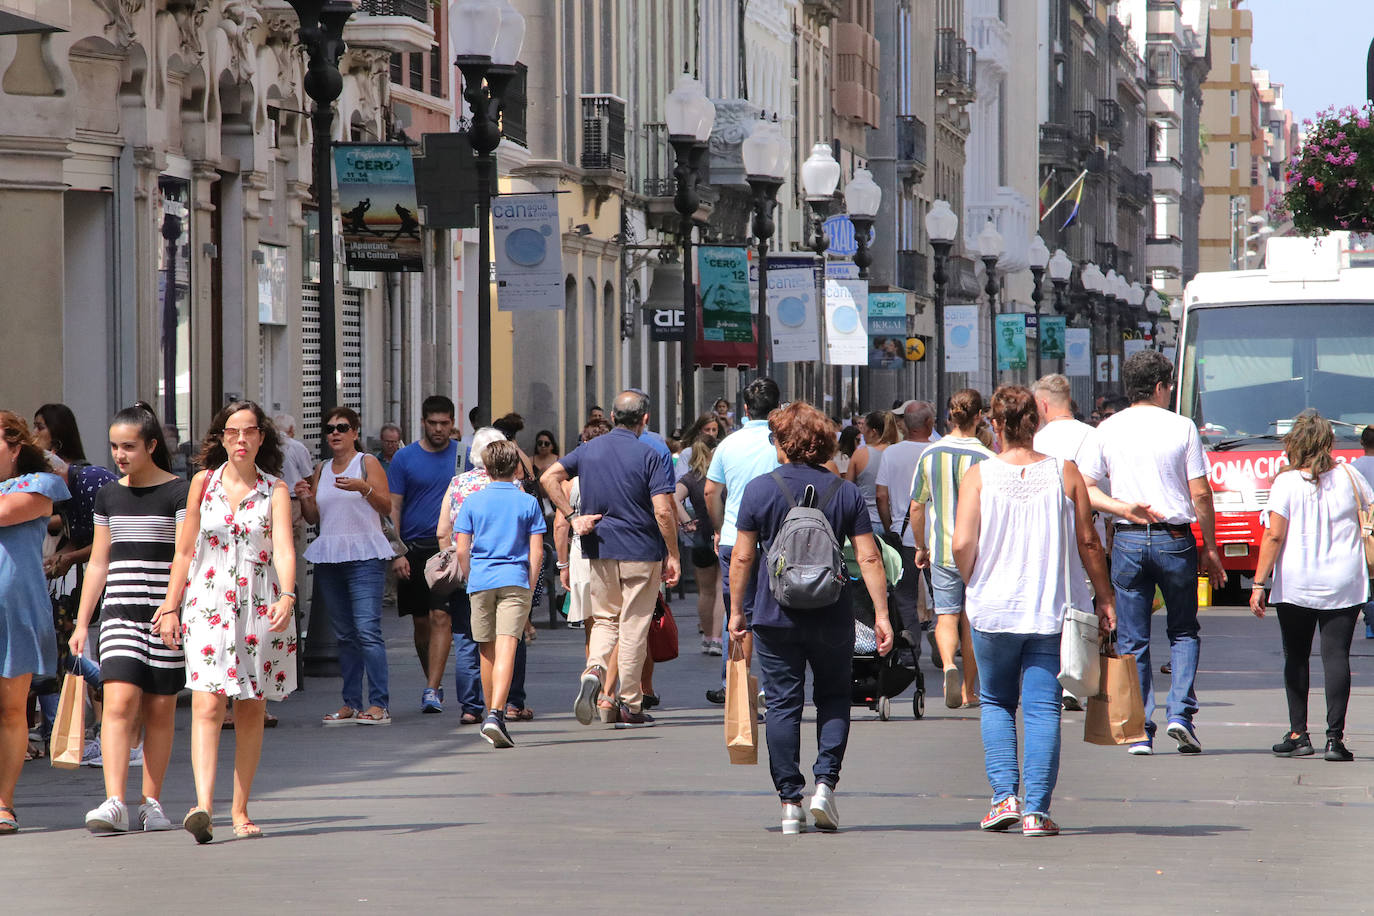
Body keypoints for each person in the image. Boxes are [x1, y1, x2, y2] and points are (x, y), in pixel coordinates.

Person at [952, 386, 1115, 837]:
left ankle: (1004, 798)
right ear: (1035, 423)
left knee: (996, 702)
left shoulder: (978, 476)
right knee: (1043, 710)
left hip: (993, 610)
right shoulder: (1066, 473)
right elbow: (1089, 542)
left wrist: (974, 578)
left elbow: (962, 543)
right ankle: (1037, 812)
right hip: (1050, 610)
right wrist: (1104, 597)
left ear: (995, 425)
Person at [728, 400, 894, 835]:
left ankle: (789, 802)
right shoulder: (844, 492)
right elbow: (868, 557)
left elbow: (742, 556)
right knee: (834, 697)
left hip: (773, 614)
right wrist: (881, 615)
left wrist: (737, 611)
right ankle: (825, 785)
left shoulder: (760, 490)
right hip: (831, 612)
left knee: (783, 703)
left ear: (784, 443)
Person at [157, 400, 297, 842]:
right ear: (221, 437)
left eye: (249, 431)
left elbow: (284, 548)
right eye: (232, 431)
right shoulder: (203, 483)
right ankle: (202, 806)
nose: (241, 439)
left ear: (261, 438)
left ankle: (239, 810)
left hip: (259, 603)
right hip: (208, 602)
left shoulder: (275, 489)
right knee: (207, 703)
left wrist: (288, 595)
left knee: (251, 707)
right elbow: (184, 551)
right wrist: (170, 605)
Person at [1080, 350, 1226, 756]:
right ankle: (1180, 714)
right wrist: (1210, 547)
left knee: (1133, 638)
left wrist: (1122, 508)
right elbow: (1200, 493)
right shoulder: (1181, 427)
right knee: (1183, 630)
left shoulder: (1107, 429)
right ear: (1161, 387)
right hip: (1174, 539)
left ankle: (1141, 729)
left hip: (1128, 540)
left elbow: (1085, 489)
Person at [71, 403, 187, 833]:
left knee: (159, 709)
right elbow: (99, 563)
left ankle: (150, 804)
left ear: (151, 446)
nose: (119, 455)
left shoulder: (179, 492)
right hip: (118, 613)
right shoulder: (109, 495)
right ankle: (115, 801)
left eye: (129, 447)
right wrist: (82, 623)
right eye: (115, 446)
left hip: (164, 617)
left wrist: (172, 606)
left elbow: (184, 555)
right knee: (118, 702)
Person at [543, 390, 681, 728]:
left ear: (612, 415)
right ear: (645, 419)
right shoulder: (651, 454)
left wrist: (572, 516)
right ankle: (630, 703)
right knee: (634, 625)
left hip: (600, 547)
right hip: (641, 550)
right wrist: (673, 554)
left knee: (605, 620)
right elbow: (663, 511)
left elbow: (548, 477)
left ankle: (594, 669)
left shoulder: (588, 450)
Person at [1250, 412, 1370, 762]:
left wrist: (1258, 583)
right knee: (1336, 657)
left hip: (1297, 584)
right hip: (1343, 583)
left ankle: (1298, 735)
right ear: (1328, 443)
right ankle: (1335, 740)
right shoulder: (1351, 476)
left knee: (1296, 656)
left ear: (1293, 444)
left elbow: (1273, 535)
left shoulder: (1286, 483)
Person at [298, 407, 394, 726]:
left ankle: (379, 704)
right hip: (331, 557)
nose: (335, 433)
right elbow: (314, 518)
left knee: (367, 631)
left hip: (365, 555)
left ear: (354, 432)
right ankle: (351, 703)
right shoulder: (321, 468)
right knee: (345, 635)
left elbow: (386, 506)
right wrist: (305, 498)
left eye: (342, 427)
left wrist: (363, 488)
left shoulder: (367, 463)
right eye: (330, 429)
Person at [0, 411, 70, 835]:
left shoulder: (38, 485)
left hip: (16, 610)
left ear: (15, 447)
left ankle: (3, 803)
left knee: (12, 709)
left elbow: (5, 512)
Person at [453, 440, 546, 748]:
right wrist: (529, 585)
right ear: (516, 467)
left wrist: (471, 576)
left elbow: (462, 549)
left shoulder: (473, 502)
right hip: (514, 579)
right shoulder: (527, 502)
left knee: (486, 650)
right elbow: (536, 552)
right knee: (508, 646)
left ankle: (489, 715)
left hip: (481, 579)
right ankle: (496, 714)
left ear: (486, 468)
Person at [909, 391, 992, 708]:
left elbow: (917, 506)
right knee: (971, 621)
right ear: (979, 416)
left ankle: (948, 667)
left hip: (942, 548)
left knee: (945, 615)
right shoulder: (987, 458)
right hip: (978, 553)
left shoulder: (930, 454)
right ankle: (969, 689)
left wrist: (920, 545)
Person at [1032, 373, 1108, 710]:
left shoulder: (1036, 440)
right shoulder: (1091, 436)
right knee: (1081, 604)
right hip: (1086, 530)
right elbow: (1098, 488)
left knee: (1050, 603)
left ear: (1043, 403)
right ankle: (1074, 679)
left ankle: (1051, 674)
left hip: (1045, 535)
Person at [704, 377, 782, 704]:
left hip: (734, 539)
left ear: (746, 409)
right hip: (778, 540)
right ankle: (772, 686)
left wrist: (719, 527)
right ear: (777, 407)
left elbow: (711, 491)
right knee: (776, 613)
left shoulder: (728, 444)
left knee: (737, 613)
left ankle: (735, 684)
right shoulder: (781, 443)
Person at [387, 395, 465, 715]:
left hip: (448, 549)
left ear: (452, 423)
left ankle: (431, 688)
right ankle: (433, 679)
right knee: (420, 623)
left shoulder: (463, 456)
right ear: (423, 423)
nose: (438, 429)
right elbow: (394, 507)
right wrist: (397, 552)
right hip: (413, 549)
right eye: (432, 423)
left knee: (440, 617)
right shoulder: (404, 458)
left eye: (444, 423)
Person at [435, 426, 515, 724]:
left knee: (467, 639)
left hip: (468, 571)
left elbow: (442, 531)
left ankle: (471, 707)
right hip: (505, 571)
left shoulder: (457, 484)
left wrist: (454, 562)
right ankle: (507, 703)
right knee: (506, 638)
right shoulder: (512, 486)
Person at [875, 400, 938, 635]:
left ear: (905, 425)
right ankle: (942, 637)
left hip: (904, 535)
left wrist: (889, 526)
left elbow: (881, 496)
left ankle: (910, 644)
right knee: (942, 596)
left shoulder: (891, 453)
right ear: (929, 422)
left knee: (904, 596)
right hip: (938, 535)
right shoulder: (938, 450)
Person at [554, 419, 612, 631]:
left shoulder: (571, 484)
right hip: (615, 550)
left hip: (582, 552)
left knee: (591, 624)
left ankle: (593, 654)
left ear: (584, 443)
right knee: (614, 622)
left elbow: (561, 527)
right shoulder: (619, 476)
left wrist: (563, 566)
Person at [676, 434, 723, 654]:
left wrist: (686, 521)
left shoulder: (690, 478)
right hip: (722, 534)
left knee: (705, 591)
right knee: (721, 589)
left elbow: (673, 498)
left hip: (700, 538)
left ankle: (707, 637)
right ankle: (717, 640)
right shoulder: (720, 476)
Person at [274, 413, 315, 651]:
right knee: (292, 549)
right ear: (291, 430)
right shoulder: (297, 447)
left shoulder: (268, 445)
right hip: (292, 502)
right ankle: (292, 593)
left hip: (270, 501)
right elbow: (308, 477)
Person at [845, 410, 898, 535]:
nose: (862, 433)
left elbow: (847, 489)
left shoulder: (860, 454)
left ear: (873, 432)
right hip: (893, 519)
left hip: (865, 520)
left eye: (864, 428)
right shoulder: (895, 452)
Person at [1349, 425, 1374, 639]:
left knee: (1368, 575)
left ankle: (1370, 622)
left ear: (1362, 443)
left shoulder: (1352, 470)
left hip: (1365, 530)